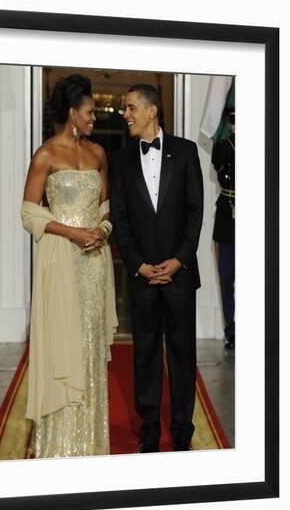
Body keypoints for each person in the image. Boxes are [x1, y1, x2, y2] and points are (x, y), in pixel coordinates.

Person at [21, 74, 118, 458]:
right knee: (64, 343)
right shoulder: (45, 155)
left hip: (94, 265)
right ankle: (59, 445)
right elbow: (29, 213)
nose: (96, 118)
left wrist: (103, 230)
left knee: (89, 344)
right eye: (91, 111)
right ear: (72, 112)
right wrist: (73, 233)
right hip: (60, 262)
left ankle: (90, 442)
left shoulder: (98, 154)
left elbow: (107, 208)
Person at [109, 84, 204, 453]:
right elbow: (120, 218)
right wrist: (139, 265)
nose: (126, 115)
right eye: (125, 108)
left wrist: (179, 260)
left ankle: (182, 434)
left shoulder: (185, 152)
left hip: (179, 275)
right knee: (145, 357)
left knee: (182, 357)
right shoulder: (120, 160)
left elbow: (195, 212)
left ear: (152, 111)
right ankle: (149, 433)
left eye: (131, 107)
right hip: (143, 278)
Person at [211, 107, 235, 350]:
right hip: (228, 215)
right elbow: (217, 159)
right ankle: (232, 330)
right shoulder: (225, 145)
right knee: (227, 276)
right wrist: (234, 139)